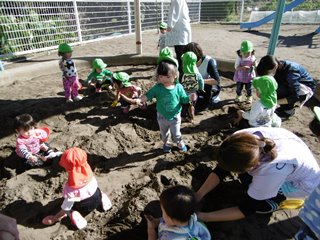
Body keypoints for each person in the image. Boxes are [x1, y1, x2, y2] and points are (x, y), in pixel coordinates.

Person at [195, 127, 320, 222]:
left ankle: (276, 200)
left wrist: (204, 217)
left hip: (301, 183)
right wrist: (199, 195)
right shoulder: (239, 139)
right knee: (247, 180)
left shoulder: (271, 172)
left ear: (251, 166)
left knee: (260, 206)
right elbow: (222, 169)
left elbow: (245, 209)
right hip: (292, 151)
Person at [42, 147, 112, 229]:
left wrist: (55, 218)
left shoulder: (72, 189)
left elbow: (65, 207)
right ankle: (102, 199)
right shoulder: (90, 176)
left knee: (69, 208)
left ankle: (73, 214)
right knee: (95, 190)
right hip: (97, 195)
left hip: (84, 206)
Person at [135, 55, 193, 153]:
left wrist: (189, 98)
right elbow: (148, 95)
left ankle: (180, 144)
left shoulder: (178, 87)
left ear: (175, 75)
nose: (164, 79)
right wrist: (140, 99)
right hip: (162, 116)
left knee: (176, 134)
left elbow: (183, 100)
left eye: (168, 76)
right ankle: (167, 144)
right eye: (161, 76)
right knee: (164, 134)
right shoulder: (158, 88)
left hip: (175, 116)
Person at [145, 185, 211, 240]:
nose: (162, 214)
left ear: (170, 219)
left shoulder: (168, 237)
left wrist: (151, 230)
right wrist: (157, 222)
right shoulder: (193, 219)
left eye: (163, 211)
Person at [234, 55, 281, 128]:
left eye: (256, 89)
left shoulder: (258, 104)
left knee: (248, 119)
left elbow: (251, 117)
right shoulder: (273, 101)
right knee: (275, 117)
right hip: (267, 124)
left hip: (255, 126)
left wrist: (242, 113)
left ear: (260, 91)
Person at [183, 42, 221, 110]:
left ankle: (209, 100)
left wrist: (199, 81)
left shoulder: (209, 61)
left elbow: (217, 81)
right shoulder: (186, 60)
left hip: (206, 86)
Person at [166, 0, 192, 79]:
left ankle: (181, 76)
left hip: (180, 32)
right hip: (182, 31)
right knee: (182, 55)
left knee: (180, 55)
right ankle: (183, 75)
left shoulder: (176, 0)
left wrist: (169, 26)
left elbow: (174, 13)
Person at [180, 51, 204, 122]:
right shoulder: (197, 74)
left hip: (184, 95)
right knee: (192, 105)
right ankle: (191, 117)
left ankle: (183, 117)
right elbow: (201, 82)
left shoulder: (183, 74)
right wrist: (201, 88)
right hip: (193, 94)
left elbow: (178, 83)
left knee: (183, 107)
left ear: (184, 63)